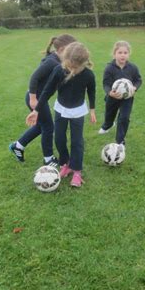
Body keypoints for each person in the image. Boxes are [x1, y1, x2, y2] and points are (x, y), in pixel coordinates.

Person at [26, 42, 96, 187]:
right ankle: (66, 163)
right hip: (61, 109)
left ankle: (77, 170)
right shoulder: (59, 70)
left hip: (77, 111)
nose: (71, 69)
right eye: (69, 65)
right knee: (59, 138)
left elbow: (91, 91)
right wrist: (36, 110)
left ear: (83, 64)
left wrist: (93, 110)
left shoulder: (88, 75)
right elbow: (47, 91)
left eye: (75, 67)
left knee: (77, 141)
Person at [9, 34, 77, 166]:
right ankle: (48, 158)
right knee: (48, 127)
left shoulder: (58, 61)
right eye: (71, 51)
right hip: (36, 99)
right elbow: (34, 78)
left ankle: (18, 146)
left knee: (41, 126)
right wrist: (33, 99)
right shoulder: (51, 62)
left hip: (41, 98)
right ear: (62, 49)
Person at [99, 40, 142, 147]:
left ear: (129, 54)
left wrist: (134, 88)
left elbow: (138, 80)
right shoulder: (109, 68)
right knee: (109, 115)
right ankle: (107, 125)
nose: (123, 55)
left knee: (124, 118)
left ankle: (120, 140)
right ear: (114, 54)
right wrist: (110, 92)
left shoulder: (132, 67)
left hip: (127, 98)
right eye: (120, 52)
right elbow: (106, 83)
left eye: (125, 53)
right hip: (113, 98)